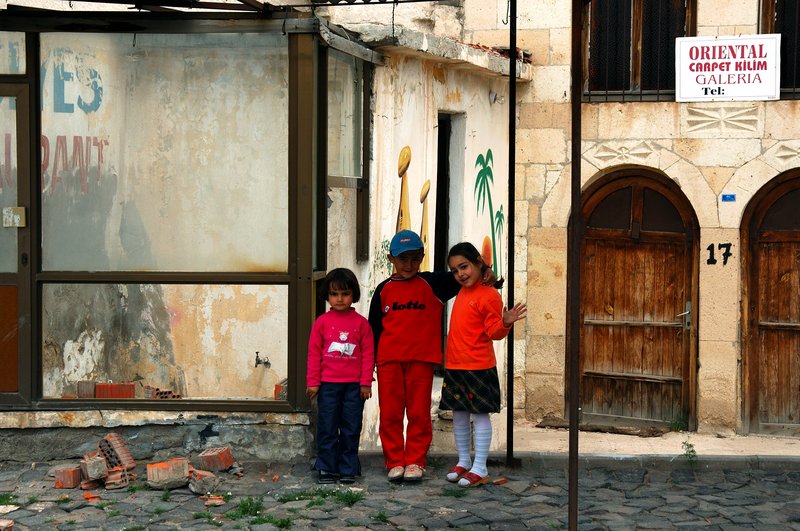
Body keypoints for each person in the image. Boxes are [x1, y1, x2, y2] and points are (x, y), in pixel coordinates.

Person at [368, 230, 495, 483]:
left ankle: (416, 460)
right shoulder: (383, 290)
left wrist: (487, 270)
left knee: (419, 413)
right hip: (388, 361)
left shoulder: (434, 283)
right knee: (391, 413)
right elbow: (373, 329)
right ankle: (395, 460)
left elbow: (467, 273)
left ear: (422, 257)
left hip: (422, 360)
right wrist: (368, 364)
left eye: (415, 259)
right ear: (391, 258)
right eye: (402, 259)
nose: (408, 265)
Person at [440, 241, 527, 488]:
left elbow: (493, 332)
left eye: (464, 266)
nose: (460, 274)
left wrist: (506, 322)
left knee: (479, 416)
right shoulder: (462, 290)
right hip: (456, 365)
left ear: (478, 262)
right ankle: (463, 461)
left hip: (478, 366)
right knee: (458, 415)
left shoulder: (489, 295)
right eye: (455, 270)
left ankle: (480, 467)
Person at [306, 268, 375, 485]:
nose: (339, 299)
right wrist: (313, 382)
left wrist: (365, 383)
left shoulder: (362, 324)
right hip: (328, 386)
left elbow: (368, 355)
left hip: (354, 388)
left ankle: (348, 468)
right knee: (327, 426)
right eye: (334, 294)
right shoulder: (322, 322)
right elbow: (314, 354)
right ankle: (326, 467)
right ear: (327, 296)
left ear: (353, 294)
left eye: (345, 293)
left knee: (351, 428)